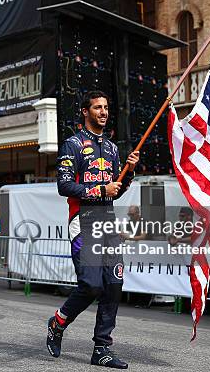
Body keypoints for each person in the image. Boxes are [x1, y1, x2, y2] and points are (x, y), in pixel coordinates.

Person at [46, 90, 139, 369]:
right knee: (91, 284)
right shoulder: (72, 144)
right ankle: (58, 322)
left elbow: (115, 193)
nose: (103, 112)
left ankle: (102, 349)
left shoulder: (111, 149)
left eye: (106, 107)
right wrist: (101, 188)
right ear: (85, 111)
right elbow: (64, 186)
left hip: (107, 222)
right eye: (97, 107)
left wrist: (129, 174)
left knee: (114, 284)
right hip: (83, 221)